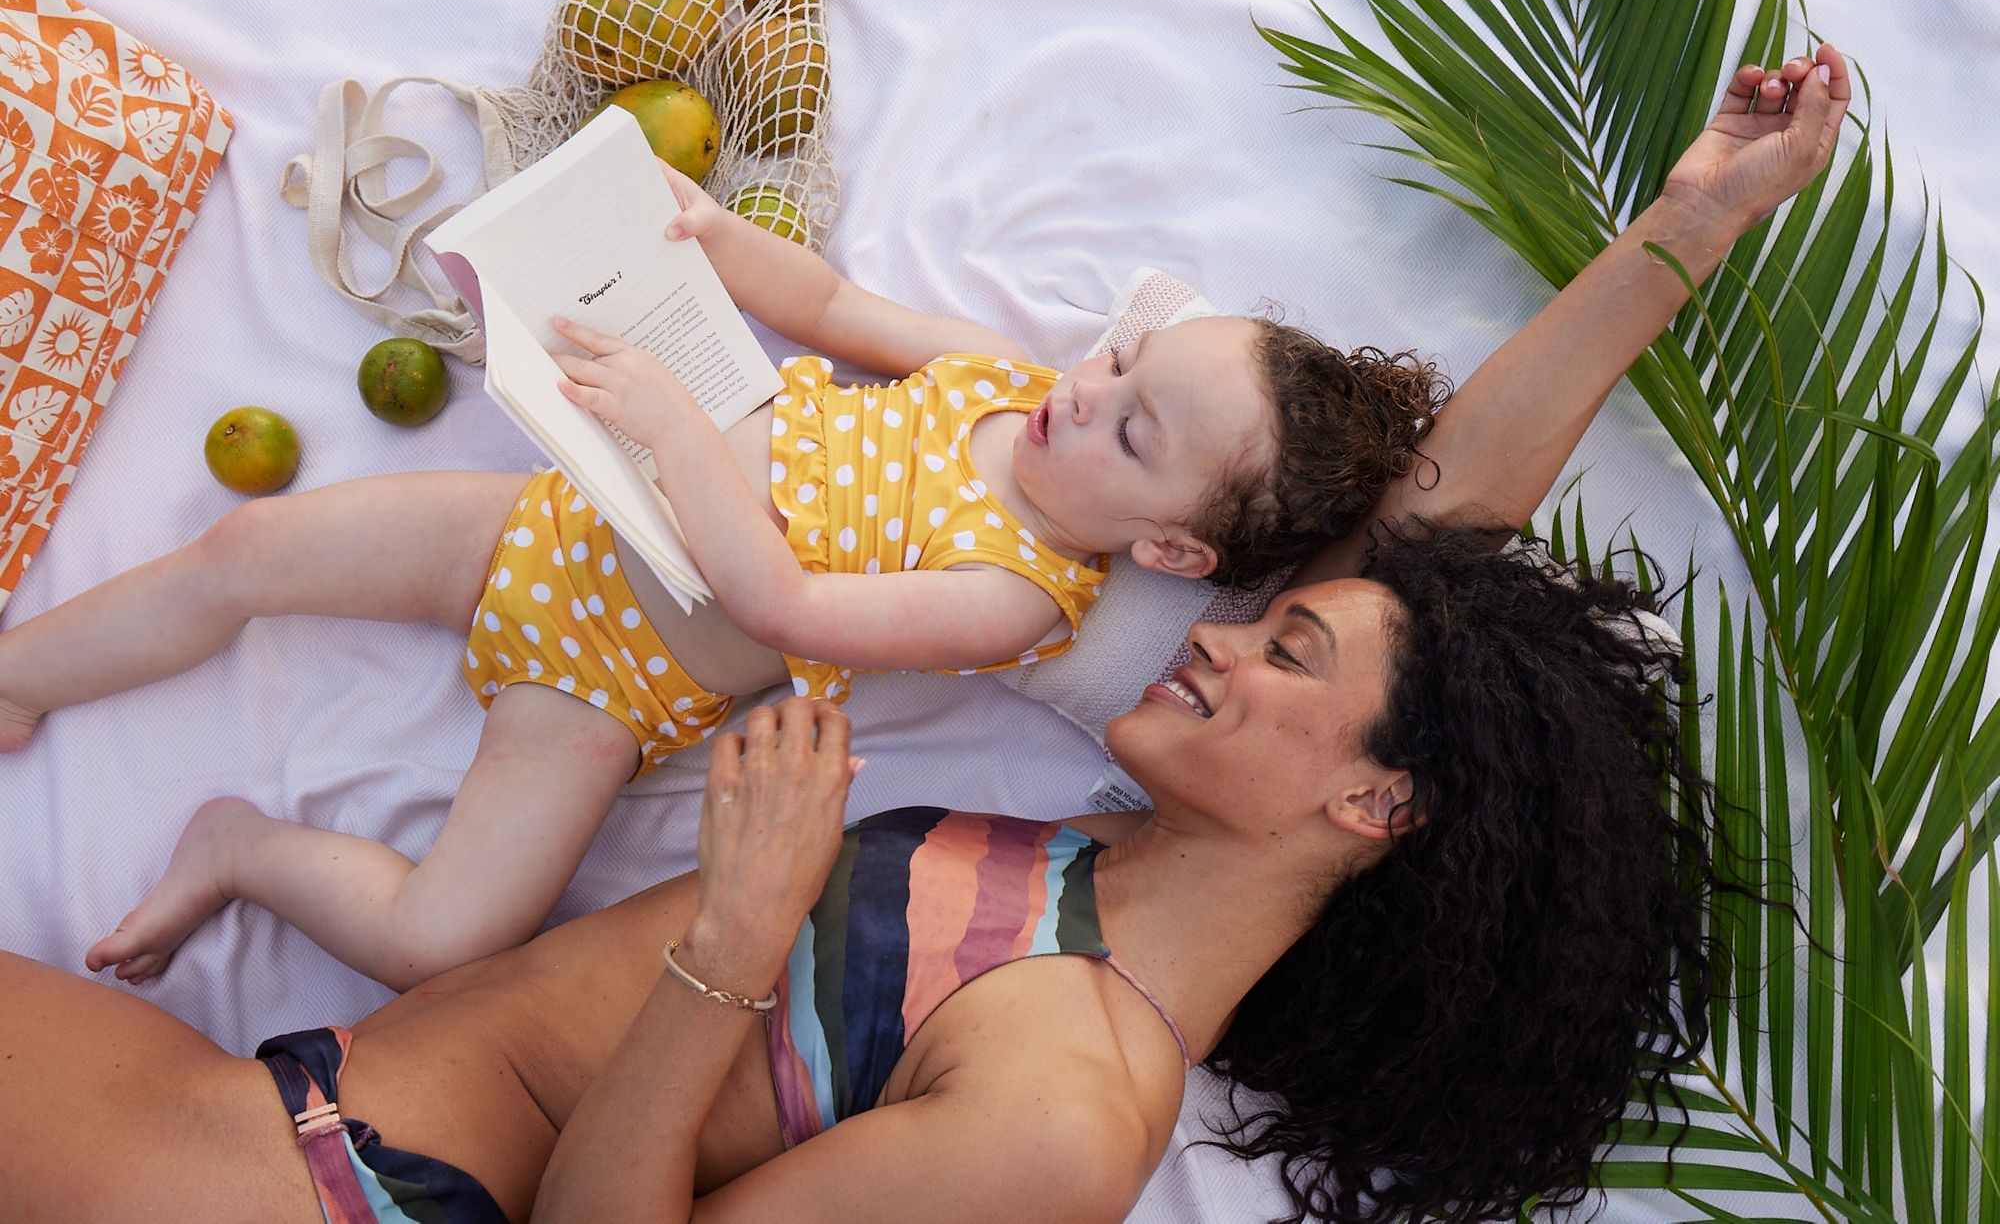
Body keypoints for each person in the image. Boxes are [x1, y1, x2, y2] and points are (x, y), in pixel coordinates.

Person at [0, 47, 1848, 1222]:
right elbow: (1439, 530)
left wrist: (734, 941)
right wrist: (1683, 230)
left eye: (1286, 654)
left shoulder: (1069, 1114)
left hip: (321, 1183)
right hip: (278, 1117)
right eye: (1268, 618)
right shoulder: (1105, 853)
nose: (1223, 642)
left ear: (1377, 804)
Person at [0, 158, 1440, 993]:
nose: (1088, 388)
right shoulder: (997, 382)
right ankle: (21, 671)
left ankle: (239, 846)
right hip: (558, 526)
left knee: (446, 936)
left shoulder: (1020, 590)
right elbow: (829, 307)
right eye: (1121, 359)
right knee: (250, 548)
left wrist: (681, 435)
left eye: (1132, 426)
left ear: (1171, 552)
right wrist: (709, 232)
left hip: (604, 677)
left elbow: (787, 606)